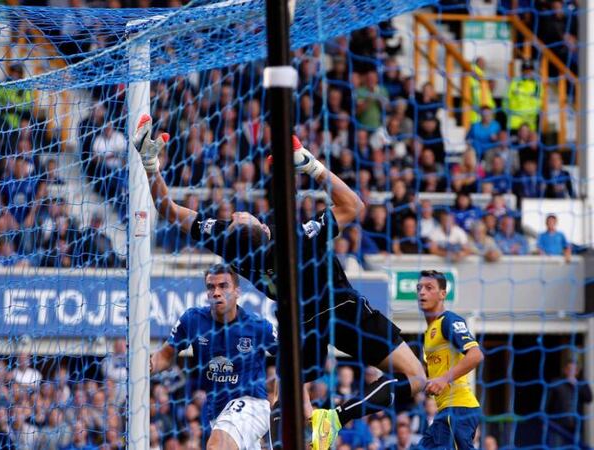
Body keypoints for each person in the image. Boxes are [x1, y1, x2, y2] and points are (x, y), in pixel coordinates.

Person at [134, 114, 426, 449]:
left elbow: (167, 208)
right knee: (415, 377)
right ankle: (338, 417)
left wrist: (151, 166)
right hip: (340, 308)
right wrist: (309, 165)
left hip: (301, 328)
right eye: (238, 219)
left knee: (294, 408)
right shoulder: (296, 238)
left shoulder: (233, 246)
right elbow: (354, 204)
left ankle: (318, 422)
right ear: (265, 228)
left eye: (237, 218)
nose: (236, 216)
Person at [150, 264, 278, 450]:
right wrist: (147, 366)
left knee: (216, 447)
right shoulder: (192, 320)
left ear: (237, 291)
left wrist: (278, 397)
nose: (216, 292)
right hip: (216, 413)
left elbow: (290, 359)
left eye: (223, 286)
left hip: (252, 405)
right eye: (211, 287)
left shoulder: (258, 326)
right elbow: (165, 355)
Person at [417, 270, 485, 450]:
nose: (422, 292)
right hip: (444, 412)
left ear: (442, 294)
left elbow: (476, 355)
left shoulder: (449, 320)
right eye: (419, 288)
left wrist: (444, 379)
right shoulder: (428, 333)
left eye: (429, 288)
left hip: (459, 409)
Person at [546, 359, 592, 447]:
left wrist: (577, 386)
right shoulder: (556, 383)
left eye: (574, 370)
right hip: (558, 426)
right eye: (569, 369)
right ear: (565, 370)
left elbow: (589, 398)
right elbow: (548, 404)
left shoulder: (582, 384)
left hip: (575, 427)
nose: (571, 372)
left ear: (577, 371)